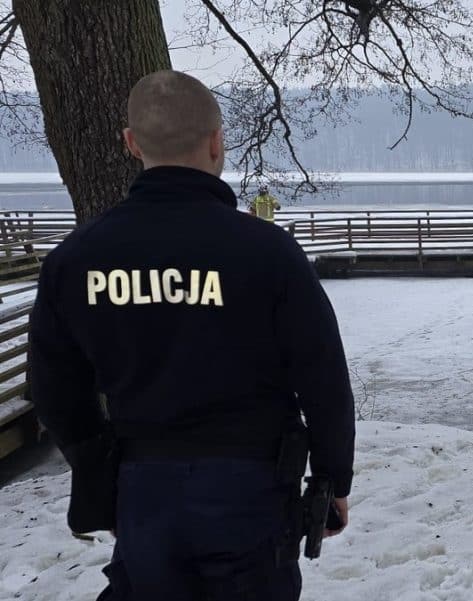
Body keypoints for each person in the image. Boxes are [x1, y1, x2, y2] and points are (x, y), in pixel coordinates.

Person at [28, 70, 355, 601]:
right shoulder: (268, 253)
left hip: (143, 489)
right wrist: (333, 478)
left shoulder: (77, 260)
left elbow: (55, 392)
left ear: (131, 143)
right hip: (251, 490)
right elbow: (323, 379)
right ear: (216, 140)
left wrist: (102, 476)